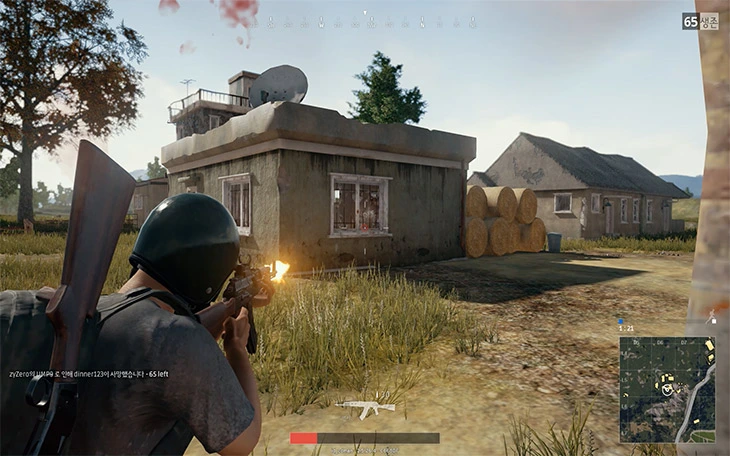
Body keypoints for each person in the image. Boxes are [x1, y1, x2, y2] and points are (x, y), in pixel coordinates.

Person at [1, 193, 263, 455]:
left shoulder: (76, 311)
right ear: (207, 273)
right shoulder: (180, 340)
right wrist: (236, 349)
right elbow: (242, 443)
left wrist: (226, 309)